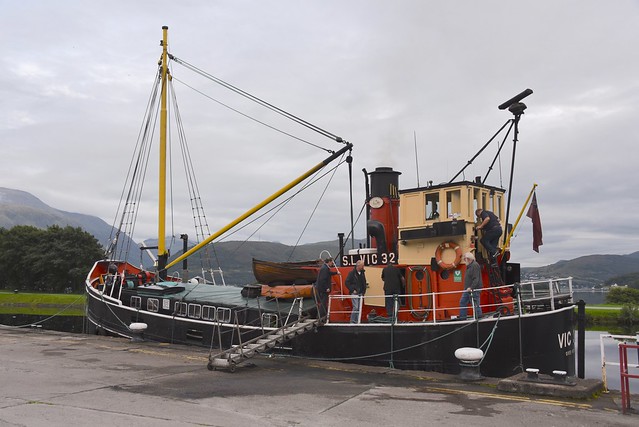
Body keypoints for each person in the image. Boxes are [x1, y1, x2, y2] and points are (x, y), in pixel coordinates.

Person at [459, 252, 483, 320]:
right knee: (463, 302)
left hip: (473, 289)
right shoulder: (469, 266)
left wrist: (471, 287)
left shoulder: (475, 265)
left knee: (475, 303)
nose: (464, 261)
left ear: (469, 259)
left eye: (465, 259)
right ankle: (463, 317)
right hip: (468, 289)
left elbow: (476, 278)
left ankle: (478, 317)